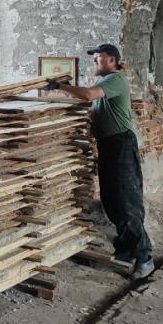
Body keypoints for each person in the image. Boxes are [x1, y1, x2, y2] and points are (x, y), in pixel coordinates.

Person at [46, 43, 154, 280]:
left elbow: (87, 95)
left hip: (121, 146)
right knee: (112, 201)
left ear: (112, 61)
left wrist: (59, 85)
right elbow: (93, 107)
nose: (94, 61)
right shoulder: (104, 83)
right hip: (108, 146)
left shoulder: (115, 79)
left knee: (127, 202)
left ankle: (144, 257)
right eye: (94, 58)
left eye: (99, 58)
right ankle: (126, 250)